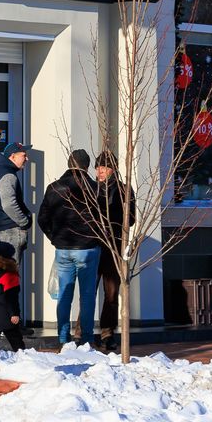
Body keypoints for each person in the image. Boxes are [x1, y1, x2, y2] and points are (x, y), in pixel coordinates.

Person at [38, 149, 102, 345]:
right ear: (87, 166)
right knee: (88, 295)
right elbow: (103, 220)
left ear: (69, 163)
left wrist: (55, 238)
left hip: (63, 248)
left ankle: (63, 337)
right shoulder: (95, 188)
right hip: (88, 247)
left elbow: (42, 218)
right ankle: (87, 338)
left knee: (64, 294)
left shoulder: (54, 187)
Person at [94, 151, 136, 353]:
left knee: (111, 293)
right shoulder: (90, 189)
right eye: (98, 167)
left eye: (104, 167)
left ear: (113, 169)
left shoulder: (124, 190)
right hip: (92, 246)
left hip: (114, 247)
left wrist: (116, 224)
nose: (100, 171)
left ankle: (107, 333)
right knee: (88, 291)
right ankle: (81, 333)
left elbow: (131, 218)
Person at [0, 142, 33, 257]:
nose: (27, 158)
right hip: (10, 231)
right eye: (23, 155)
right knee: (11, 273)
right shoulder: (7, 175)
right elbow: (9, 205)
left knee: (1, 272)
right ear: (12, 156)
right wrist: (24, 221)